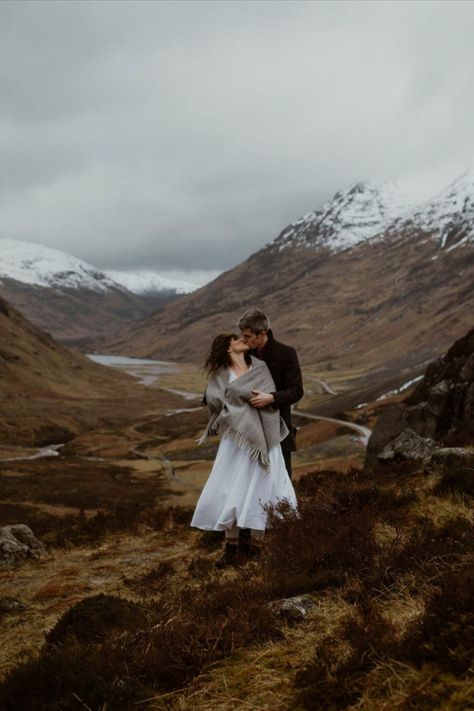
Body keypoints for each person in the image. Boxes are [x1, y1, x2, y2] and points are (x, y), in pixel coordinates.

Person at [191, 333, 298, 568]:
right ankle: (230, 549)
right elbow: (215, 402)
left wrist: (263, 400)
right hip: (237, 440)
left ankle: (255, 550)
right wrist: (239, 409)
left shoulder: (259, 367)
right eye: (236, 338)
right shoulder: (220, 375)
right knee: (231, 487)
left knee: (263, 487)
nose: (242, 338)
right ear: (229, 348)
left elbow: (269, 394)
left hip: (265, 436)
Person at [238, 309, 303, 480]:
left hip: (279, 432)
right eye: (242, 335)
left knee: (282, 483)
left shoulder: (286, 353)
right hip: (249, 432)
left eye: (248, 336)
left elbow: (296, 391)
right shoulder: (242, 355)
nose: (243, 340)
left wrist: (272, 398)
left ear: (263, 334)